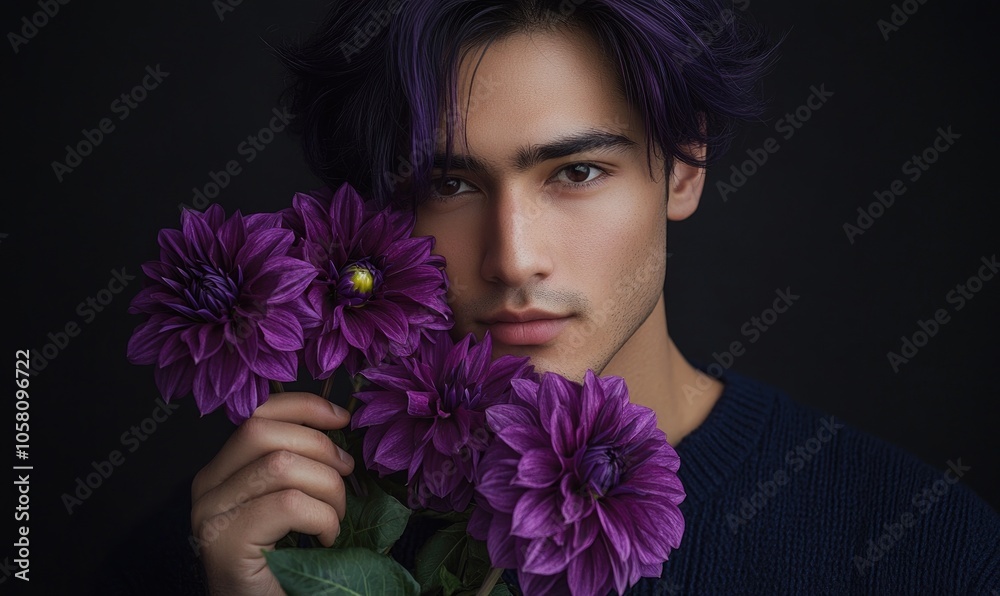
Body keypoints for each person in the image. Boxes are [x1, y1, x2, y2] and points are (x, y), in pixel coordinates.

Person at [108, 0, 1000, 594]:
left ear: (683, 166)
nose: (514, 257)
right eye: (450, 186)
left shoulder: (922, 549)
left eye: (576, 171)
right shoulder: (240, 544)